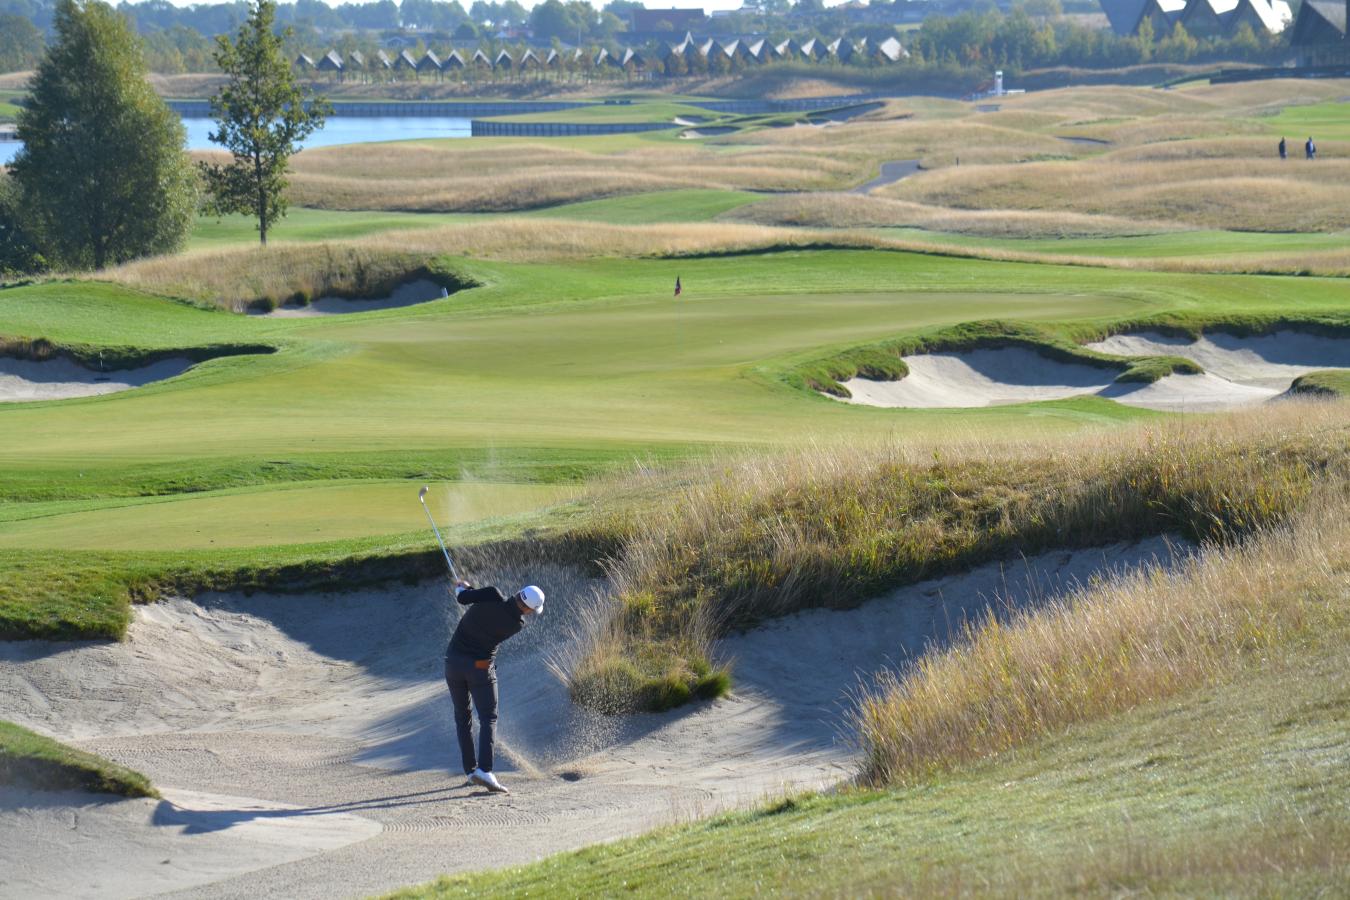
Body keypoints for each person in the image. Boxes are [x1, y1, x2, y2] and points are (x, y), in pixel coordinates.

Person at [444, 580, 545, 794]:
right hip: (480, 669)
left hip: (452, 664)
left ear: (518, 592)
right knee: (488, 717)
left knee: (463, 717)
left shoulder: (492, 593)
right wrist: (468, 592)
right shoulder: (517, 624)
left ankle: (471, 772)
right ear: (527, 609)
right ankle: (485, 770)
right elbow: (485, 605)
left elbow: (462, 598)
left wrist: (464, 588)